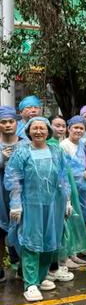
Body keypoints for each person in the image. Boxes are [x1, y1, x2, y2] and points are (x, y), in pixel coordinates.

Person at [5, 117, 71, 302]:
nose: (39, 132)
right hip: (30, 204)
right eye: (35, 128)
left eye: (42, 128)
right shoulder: (22, 152)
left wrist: (67, 200)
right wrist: (16, 203)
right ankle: (30, 284)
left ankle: (40, 278)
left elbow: (63, 177)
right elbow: (13, 178)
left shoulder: (56, 151)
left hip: (54, 205)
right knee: (31, 242)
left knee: (50, 242)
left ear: (48, 131)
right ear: (28, 131)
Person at [59, 116, 86, 267]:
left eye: (81, 128)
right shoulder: (64, 146)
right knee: (67, 221)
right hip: (68, 188)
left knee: (76, 220)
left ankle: (74, 254)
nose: (78, 131)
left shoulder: (83, 145)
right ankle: (65, 256)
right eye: (75, 128)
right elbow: (64, 169)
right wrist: (81, 174)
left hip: (81, 189)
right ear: (69, 129)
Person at [0, 106, 23, 282]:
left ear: (17, 123)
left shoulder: (25, 144)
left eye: (11, 121)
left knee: (23, 228)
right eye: (3, 122)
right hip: (1, 195)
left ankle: (24, 265)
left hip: (21, 193)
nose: (7, 125)